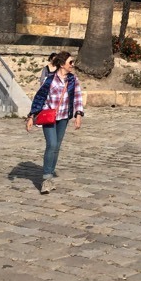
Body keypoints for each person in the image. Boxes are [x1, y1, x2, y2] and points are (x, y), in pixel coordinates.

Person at [26, 51, 84, 194]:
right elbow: (39, 98)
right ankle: (46, 179)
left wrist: (78, 115)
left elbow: (77, 97)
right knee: (51, 144)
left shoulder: (72, 80)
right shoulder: (50, 79)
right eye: (70, 62)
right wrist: (31, 117)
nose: (72, 65)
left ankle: (50, 176)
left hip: (64, 117)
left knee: (56, 147)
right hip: (49, 117)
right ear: (62, 64)